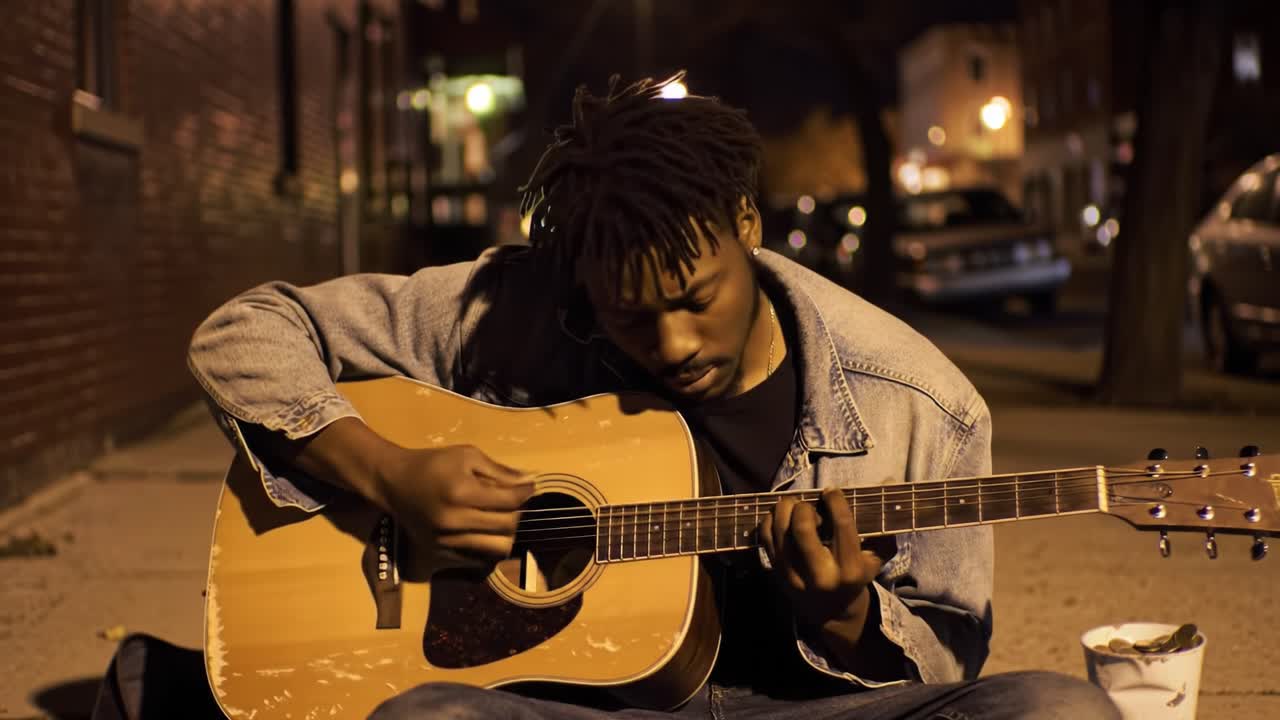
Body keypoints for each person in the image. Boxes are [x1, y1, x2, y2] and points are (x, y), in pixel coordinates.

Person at [101, 74, 1119, 719]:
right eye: (631, 317)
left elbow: (948, 659)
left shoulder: (919, 403)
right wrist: (389, 472)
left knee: (1057, 713)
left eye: (694, 300)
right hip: (565, 705)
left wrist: (849, 615)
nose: (672, 345)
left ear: (745, 222)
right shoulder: (517, 306)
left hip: (798, 709)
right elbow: (244, 335)